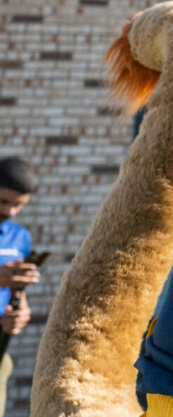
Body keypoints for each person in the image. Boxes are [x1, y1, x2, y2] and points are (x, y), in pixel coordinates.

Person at [0, 158, 38, 416]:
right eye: (4, 202)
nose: (11, 211)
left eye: (19, 205)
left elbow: (17, 292)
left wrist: (21, 312)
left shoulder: (20, 237)